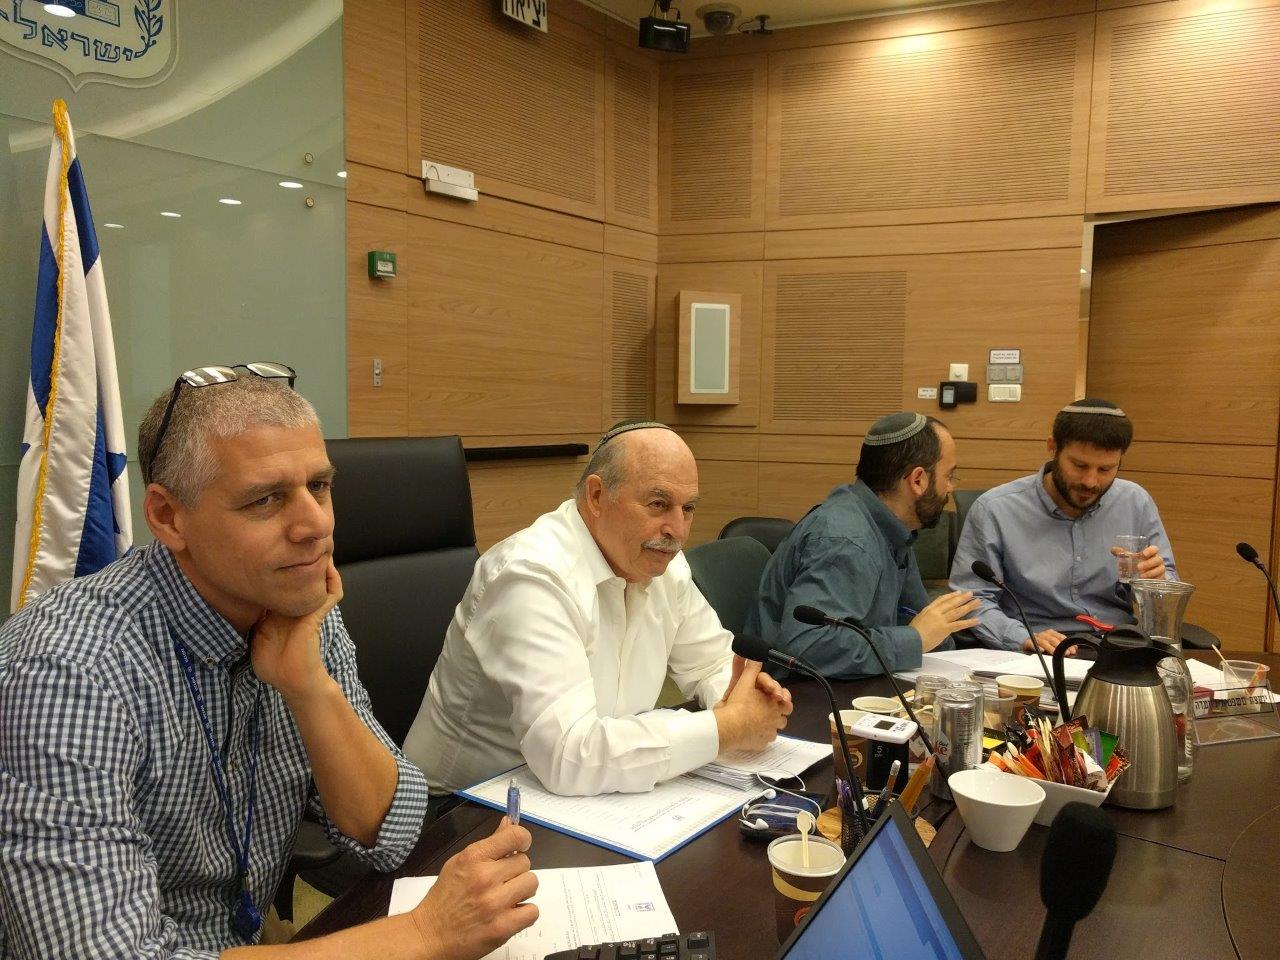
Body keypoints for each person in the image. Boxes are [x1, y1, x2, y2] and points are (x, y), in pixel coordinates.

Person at [0, 368, 537, 959]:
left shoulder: (293, 605)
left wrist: (308, 686)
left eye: (320, 486)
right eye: (265, 499)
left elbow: (392, 833)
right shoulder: (67, 673)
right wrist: (426, 933)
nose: (317, 525)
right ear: (168, 517)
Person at [403, 420, 792, 797]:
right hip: (461, 809)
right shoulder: (531, 576)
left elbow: (710, 663)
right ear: (596, 496)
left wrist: (739, 698)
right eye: (658, 504)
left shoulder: (662, 566)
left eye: (687, 508)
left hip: (585, 791)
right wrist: (724, 729)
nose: (678, 530)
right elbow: (568, 753)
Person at [745, 412, 981, 680]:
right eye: (949, 476)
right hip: (799, 692)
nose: (950, 488)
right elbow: (807, 645)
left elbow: (914, 618)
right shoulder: (847, 540)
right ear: (917, 480)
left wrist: (935, 635)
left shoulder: (892, 528)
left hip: (849, 682)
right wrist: (915, 639)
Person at [949, 399, 1177, 653]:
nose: (1090, 481)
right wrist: (1020, 637)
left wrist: (1157, 583)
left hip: (1117, 646)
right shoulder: (995, 509)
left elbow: (1168, 589)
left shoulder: (1135, 502)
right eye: (1079, 466)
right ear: (1052, 447)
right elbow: (972, 599)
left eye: (1105, 469)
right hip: (1036, 648)